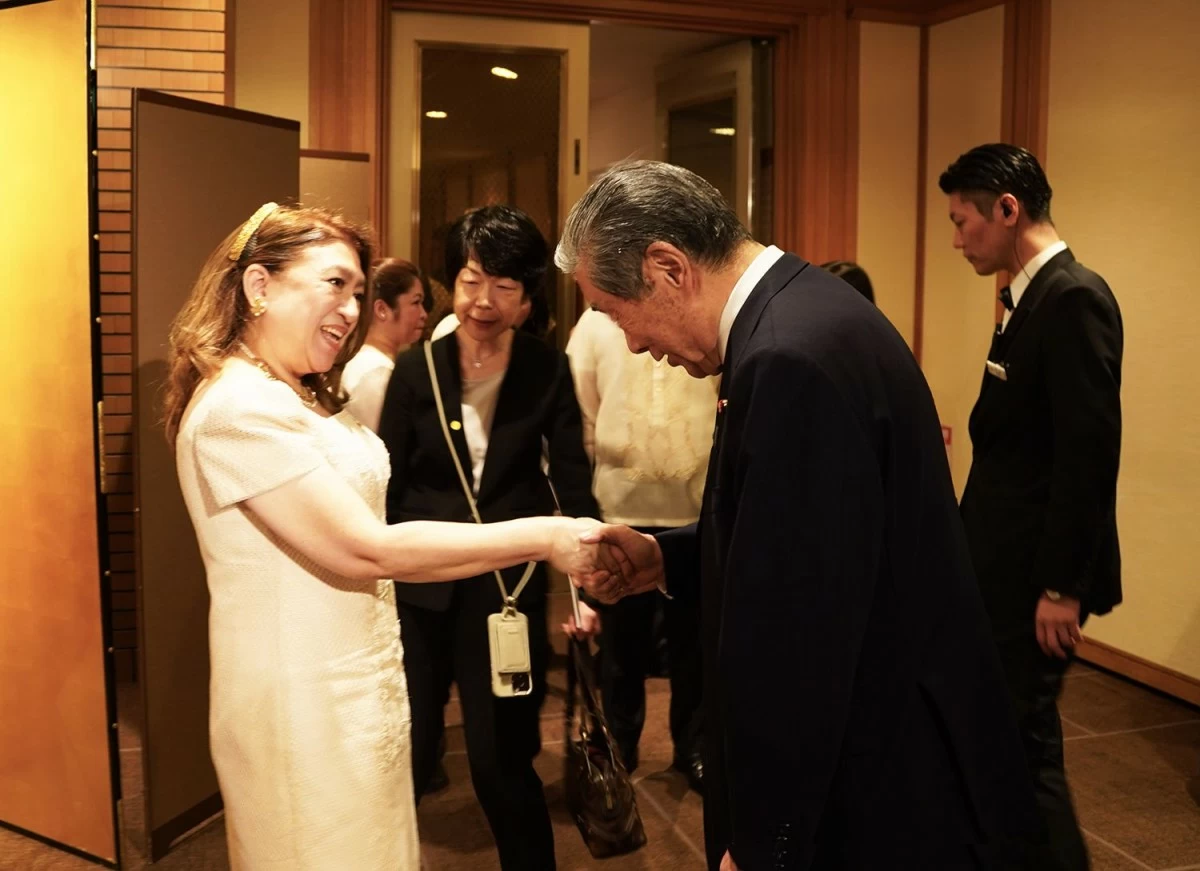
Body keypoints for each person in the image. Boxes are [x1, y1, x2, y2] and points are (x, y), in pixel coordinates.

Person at [558, 161, 1045, 870]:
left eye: (612, 310)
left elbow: (799, 635)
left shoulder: (787, 358)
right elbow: (806, 540)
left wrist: (764, 842)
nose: (630, 342)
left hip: (874, 774)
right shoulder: (800, 311)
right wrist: (668, 557)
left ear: (667, 268)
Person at [165, 202, 601, 871]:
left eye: (359, 292)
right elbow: (367, 545)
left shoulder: (297, 393)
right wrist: (546, 535)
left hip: (355, 681)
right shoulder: (239, 410)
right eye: (333, 283)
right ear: (259, 286)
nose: (350, 308)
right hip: (302, 702)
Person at [378, 204, 598, 871]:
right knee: (404, 750)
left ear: (528, 298)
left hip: (507, 591)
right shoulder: (417, 371)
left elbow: (572, 481)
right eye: (473, 279)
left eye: (504, 285)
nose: (483, 299)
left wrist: (586, 589)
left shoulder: (546, 370)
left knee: (501, 757)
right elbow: (384, 486)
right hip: (419, 589)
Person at [940, 143, 1124, 871]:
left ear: (1008, 210)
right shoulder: (1027, 295)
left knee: (1028, 748)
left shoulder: (1074, 297)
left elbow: (1087, 456)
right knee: (1007, 743)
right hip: (1004, 570)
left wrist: (1061, 584)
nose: (958, 239)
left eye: (963, 222)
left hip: (1035, 583)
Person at [564, 305, 711, 791]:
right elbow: (583, 414)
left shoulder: (700, 313)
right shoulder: (595, 323)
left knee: (694, 644)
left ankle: (692, 746)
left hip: (695, 512)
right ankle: (620, 744)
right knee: (621, 647)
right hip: (619, 508)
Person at [342, 257, 427, 431]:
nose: (423, 314)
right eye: (415, 302)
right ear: (382, 309)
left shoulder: (368, 363)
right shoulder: (376, 374)